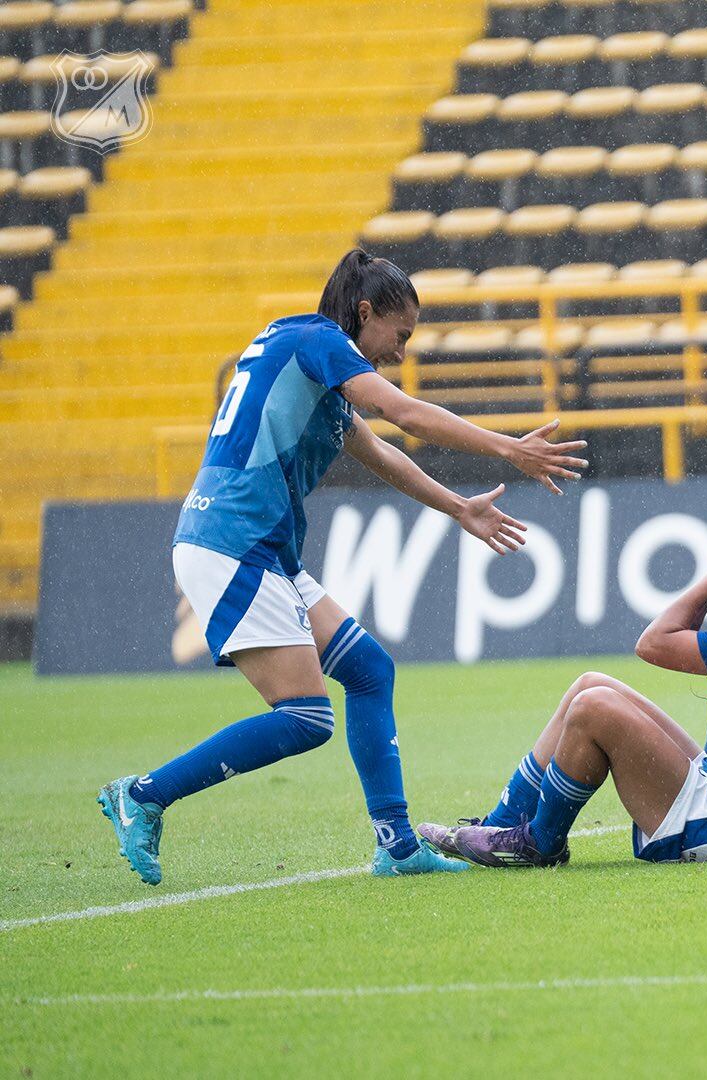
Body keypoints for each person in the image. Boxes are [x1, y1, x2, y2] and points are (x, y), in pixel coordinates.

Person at [98, 248, 588, 885]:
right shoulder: (320, 340)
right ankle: (143, 795)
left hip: (260, 546)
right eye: (399, 334)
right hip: (231, 542)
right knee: (306, 717)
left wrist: (460, 508)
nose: (401, 352)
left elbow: (383, 456)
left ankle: (397, 845)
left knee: (367, 669)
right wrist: (507, 449)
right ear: (365, 312)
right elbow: (404, 414)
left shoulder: (308, 355)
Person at [417, 518, 707, 868]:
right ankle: (501, 827)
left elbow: (653, 643)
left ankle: (538, 843)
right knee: (591, 684)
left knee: (594, 708)